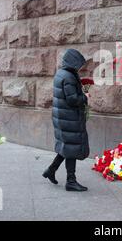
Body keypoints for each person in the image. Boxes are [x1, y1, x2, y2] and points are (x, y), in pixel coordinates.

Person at [42, 49, 90, 192]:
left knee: (67, 146)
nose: (80, 68)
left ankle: (51, 170)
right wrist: (85, 97)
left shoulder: (61, 73)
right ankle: (71, 181)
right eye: (79, 65)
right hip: (68, 117)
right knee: (72, 148)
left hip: (63, 117)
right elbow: (72, 99)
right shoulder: (68, 77)